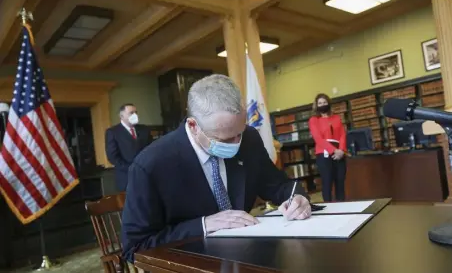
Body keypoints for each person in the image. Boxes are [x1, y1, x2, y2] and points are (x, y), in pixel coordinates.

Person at [121, 74, 312, 262]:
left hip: (247, 257)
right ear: (193, 125)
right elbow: (136, 246)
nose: (237, 143)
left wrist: (296, 198)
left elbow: (277, 185)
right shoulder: (151, 165)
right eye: (225, 139)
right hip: (191, 263)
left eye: (240, 132)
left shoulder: (249, 139)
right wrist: (203, 225)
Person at [105, 104, 153, 191]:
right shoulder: (113, 132)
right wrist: (132, 168)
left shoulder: (144, 129)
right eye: (131, 113)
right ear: (121, 116)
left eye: (136, 112)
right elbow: (113, 157)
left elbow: (151, 150)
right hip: (126, 178)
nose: (135, 115)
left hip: (147, 176)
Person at [309, 93, 347, 202]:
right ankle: (329, 209)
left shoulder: (336, 117)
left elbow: (342, 135)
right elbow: (318, 139)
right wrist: (333, 150)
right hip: (323, 152)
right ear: (316, 105)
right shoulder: (313, 120)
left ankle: (342, 207)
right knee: (327, 182)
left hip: (340, 152)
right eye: (320, 103)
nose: (322, 104)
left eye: (324, 102)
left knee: (340, 181)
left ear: (328, 103)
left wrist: (341, 151)